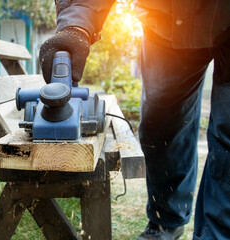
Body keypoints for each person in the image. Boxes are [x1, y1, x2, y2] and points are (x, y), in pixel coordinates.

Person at [39, 0, 230, 239]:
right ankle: (166, 220)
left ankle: (219, 233)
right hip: (167, 20)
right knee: (161, 123)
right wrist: (75, 26)